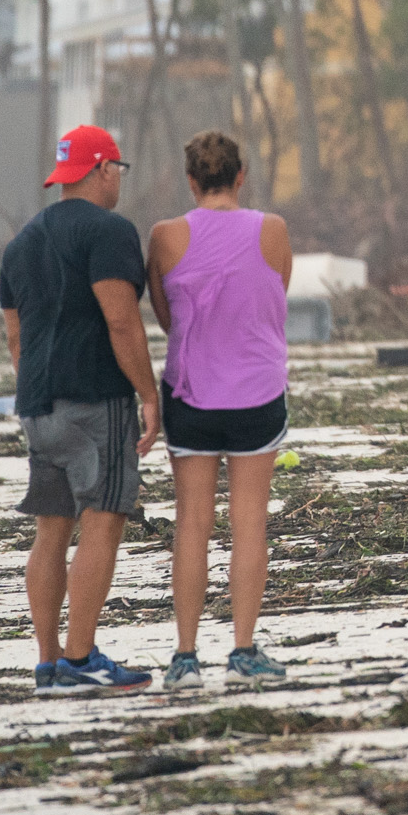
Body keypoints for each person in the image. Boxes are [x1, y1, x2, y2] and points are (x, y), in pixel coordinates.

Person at [0, 123, 159, 692]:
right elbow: (121, 319)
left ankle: (48, 663)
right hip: (96, 398)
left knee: (51, 529)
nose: (117, 179)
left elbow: (15, 337)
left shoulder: (21, 242)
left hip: (37, 402)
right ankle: (81, 657)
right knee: (104, 518)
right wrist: (148, 392)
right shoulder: (110, 232)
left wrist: (37, 396)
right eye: (116, 169)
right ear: (102, 170)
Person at [145, 130, 294, 687]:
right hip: (257, 395)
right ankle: (244, 651)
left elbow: (165, 317)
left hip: (191, 399)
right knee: (249, 524)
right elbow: (273, 299)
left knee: (192, 526)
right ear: (240, 176)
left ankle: (185, 658)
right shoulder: (273, 230)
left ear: (190, 181)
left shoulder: (163, 236)